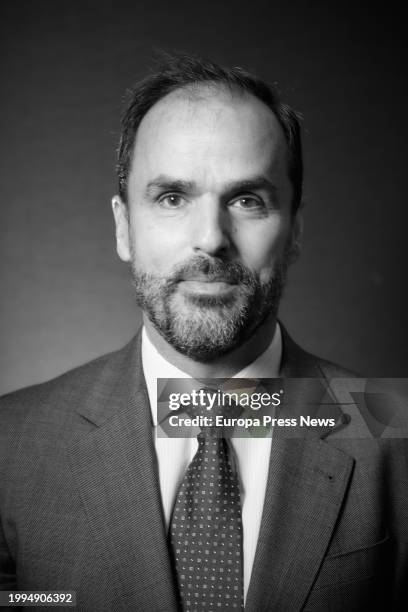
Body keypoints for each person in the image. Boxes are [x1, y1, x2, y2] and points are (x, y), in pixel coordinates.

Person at [0, 54, 407, 611]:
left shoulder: (397, 434)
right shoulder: (9, 445)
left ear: (295, 231)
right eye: (172, 198)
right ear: (123, 227)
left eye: (247, 200)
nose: (211, 239)